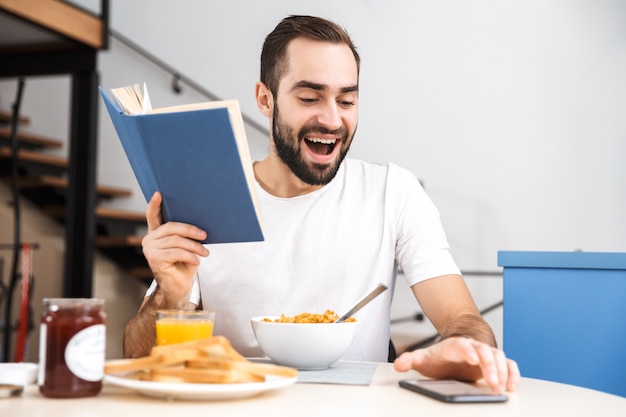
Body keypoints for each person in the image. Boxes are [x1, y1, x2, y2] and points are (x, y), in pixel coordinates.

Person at [124, 15, 520, 394]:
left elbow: (463, 319)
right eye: (310, 97)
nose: (331, 120)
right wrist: (170, 297)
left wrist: (466, 347)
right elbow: (137, 356)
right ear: (265, 99)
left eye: (346, 101)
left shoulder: (392, 192)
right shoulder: (209, 198)